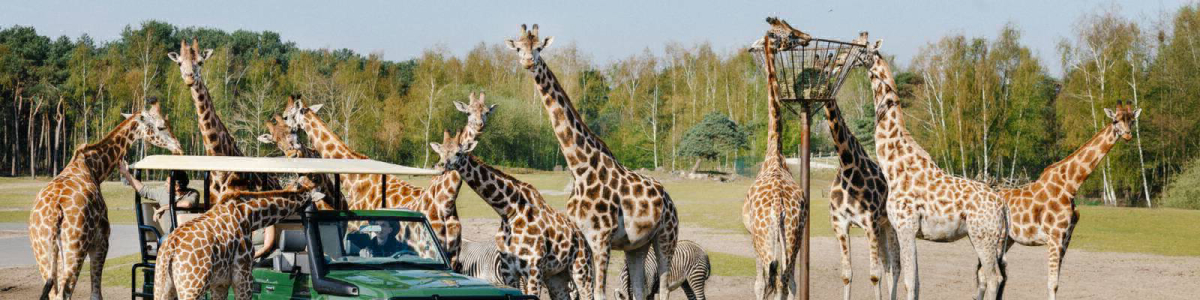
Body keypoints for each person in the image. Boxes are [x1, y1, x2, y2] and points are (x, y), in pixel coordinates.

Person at [117, 160, 199, 231]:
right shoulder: (162, 192)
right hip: (169, 236)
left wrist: (164, 207)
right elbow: (144, 191)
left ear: (177, 187)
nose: (165, 185)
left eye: (168, 183)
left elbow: (187, 204)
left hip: (189, 233)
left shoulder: (192, 193)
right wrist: (126, 173)